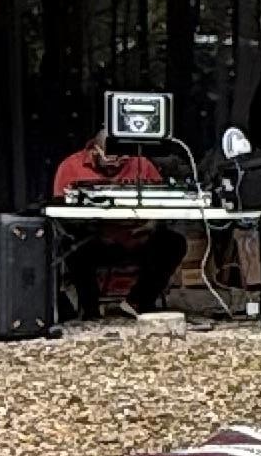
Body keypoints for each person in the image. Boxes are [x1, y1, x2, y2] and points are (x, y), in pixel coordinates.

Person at [51, 126, 184, 318]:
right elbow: (61, 212)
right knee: (70, 246)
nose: (116, 163)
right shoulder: (70, 166)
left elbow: (162, 201)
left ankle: (138, 302)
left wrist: (153, 223)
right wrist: (95, 227)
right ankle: (89, 309)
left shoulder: (142, 163)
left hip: (138, 238)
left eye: (123, 158)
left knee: (174, 243)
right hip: (97, 240)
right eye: (111, 157)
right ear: (95, 150)